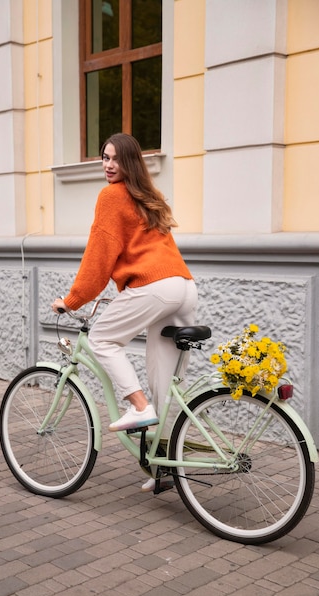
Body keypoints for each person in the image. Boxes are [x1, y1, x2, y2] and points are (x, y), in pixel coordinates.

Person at [51, 133, 197, 491]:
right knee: (164, 383)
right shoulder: (149, 197)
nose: (108, 165)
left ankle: (137, 405)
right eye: (104, 157)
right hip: (183, 286)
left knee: (102, 338)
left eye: (115, 159)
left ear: (129, 162)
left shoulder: (112, 196)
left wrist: (71, 301)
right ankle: (164, 467)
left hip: (154, 287)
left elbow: (99, 258)